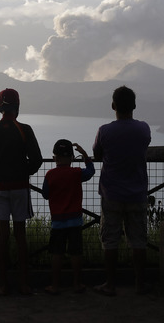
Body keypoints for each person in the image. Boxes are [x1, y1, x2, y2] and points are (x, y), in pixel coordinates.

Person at [0, 88, 43, 296]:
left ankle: (3, 285)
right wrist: (24, 171)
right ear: (17, 107)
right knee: (20, 236)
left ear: (0, 107)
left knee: (2, 237)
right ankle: (24, 284)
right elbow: (37, 159)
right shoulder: (25, 129)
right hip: (20, 187)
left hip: (0, 188)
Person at [92, 85, 151, 297]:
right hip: (137, 193)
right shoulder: (144, 129)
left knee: (110, 240)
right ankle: (140, 284)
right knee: (138, 240)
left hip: (111, 194)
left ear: (113, 106)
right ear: (134, 106)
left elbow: (97, 154)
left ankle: (110, 284)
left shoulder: (105, 131)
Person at [41, 139, 95, 295]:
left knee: (57, 253)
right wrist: (85, 155)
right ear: (72, 158)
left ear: (54, 158)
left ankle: (55, 285)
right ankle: (77, 284)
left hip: (58, 222)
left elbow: (45, 195)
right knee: (75, 253)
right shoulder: (77, 173)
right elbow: (90, 171)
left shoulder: (50, 175)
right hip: (75, 221)